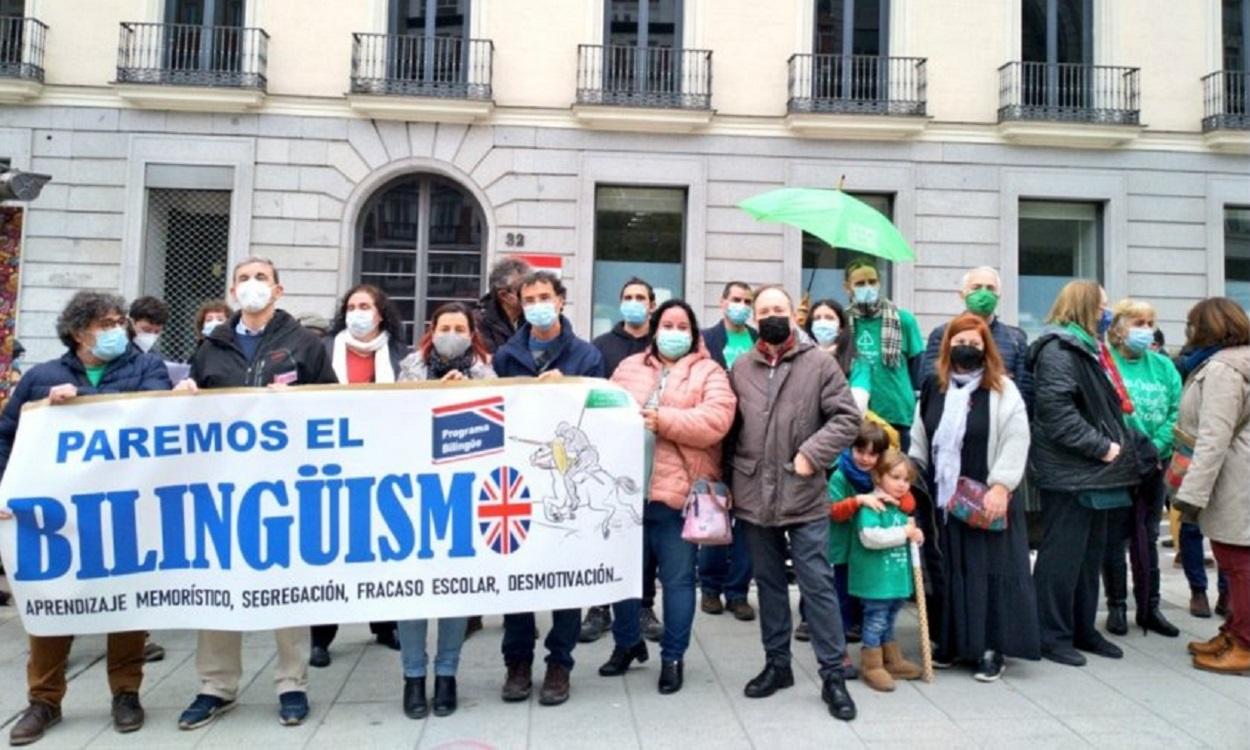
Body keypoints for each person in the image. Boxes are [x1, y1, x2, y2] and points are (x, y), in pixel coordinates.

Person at [0, 291, 172, 746]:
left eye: (120, 321)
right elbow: (7, 437)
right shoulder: (41, 378)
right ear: (78, 332)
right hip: (57, 516)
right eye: (107, 322)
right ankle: (44, 699)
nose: (119, 329)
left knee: (127, 601)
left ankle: (126, 692)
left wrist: (86, 403)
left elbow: (159, 415)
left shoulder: (146, 369)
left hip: (127, 510)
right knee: (53, 599)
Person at [174, 257, 337, 730]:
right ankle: (216, 686)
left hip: (285, 485)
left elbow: (333, 403)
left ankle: (292, 683)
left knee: (285, 583)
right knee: (220, 583)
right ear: (231, 291)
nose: (252, 286)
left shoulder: (305, 344)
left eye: (260, 278)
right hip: (223, 487)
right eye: (243, 279)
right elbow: (194, 409)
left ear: (278, 290)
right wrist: (182, 396)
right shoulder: (211, 347)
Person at [728, 284, 859, 721]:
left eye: (779, 309)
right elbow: (732, 429)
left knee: (817, 583)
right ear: (754, 317)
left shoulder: (819, 363)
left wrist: (811, 454)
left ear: (794, 314)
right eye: (763, 310)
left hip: (802, 491)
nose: (771, 316)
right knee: (767, 584)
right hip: (753, 494)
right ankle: (777, 665)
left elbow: (846, 418)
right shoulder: (741, 367)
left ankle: (833, 674)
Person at [598, 299, 736, 694]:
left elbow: (717, 420)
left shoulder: (709, 372)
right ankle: (627, 643)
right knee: (623, 580)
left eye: (682, 326)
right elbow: (601, 410)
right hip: (627, 495)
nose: (674, 332)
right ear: (655, 329)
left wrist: (665, 421)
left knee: (676, 582)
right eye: (667, 324)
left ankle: (673, 655)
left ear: (693, 333)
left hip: (678, 498)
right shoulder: (628, 368)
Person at [491, 270, 604, 706]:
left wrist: (567, 392)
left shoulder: (586, 355)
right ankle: (517, 662)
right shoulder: (506, 356)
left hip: (566, 479)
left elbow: (596, 414)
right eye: (529, 297)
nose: (537, 303)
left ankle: (560, 663)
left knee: (565, 576)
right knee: (518, 576)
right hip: (521, 477)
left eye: (545, 296)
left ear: (560, 300)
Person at [909, 313, 1038, 681]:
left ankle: (989, 648)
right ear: (948, 345)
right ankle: (952, 642)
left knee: (989, 572)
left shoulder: (1002, 390)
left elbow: (1017, 438)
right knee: (951, 570)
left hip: (986, 498)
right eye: (960, 341)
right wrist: (909, 472)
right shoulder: (936, 387)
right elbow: (921, 435)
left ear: (987, 350)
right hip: (945, 501)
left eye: (975, 344)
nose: (967, 348)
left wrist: (1002, 486)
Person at [1028, 280, 1139, 668]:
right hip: (1072, 472)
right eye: (1102, 306)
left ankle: (1082, 629)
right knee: (1062, 558)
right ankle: (1051, 635)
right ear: (1085, 307)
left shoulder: (1090, 349)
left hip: (1095, 473)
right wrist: (1103, 447)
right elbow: (1057, 414)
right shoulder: (1059, 349)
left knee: (1089, 557)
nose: (1106, 313)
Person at [394, 302, 495, 717]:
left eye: (460, 327)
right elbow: (392, 421)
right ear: (431, 330)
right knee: (412, 590)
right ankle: (414, 676)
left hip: (463, 493)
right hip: (415, 491)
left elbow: (494, 428)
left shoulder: (487, 372)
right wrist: (434, 395)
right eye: (444, 326)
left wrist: (466, 393)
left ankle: (447, 673)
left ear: (472, 334)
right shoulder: (410, 369)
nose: (451, 333)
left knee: (455, 589)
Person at [308, 284, 411, 669]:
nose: (358, 312)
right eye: (351, 306)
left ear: (381, 313)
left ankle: (385, 625)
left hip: (385, 461)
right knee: (330, 548)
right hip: (331, 463)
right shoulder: (321, 349)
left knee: (383, 543)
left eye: (365, 306)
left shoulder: (402, 355)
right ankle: (321, 635)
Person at [1174, 298, 1250, 675]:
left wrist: (1190, 494)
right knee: (1234, 558)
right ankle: (1234, 632)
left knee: (1237, 562)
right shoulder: (1237, 361)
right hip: (1238, 472)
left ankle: (1246, 644)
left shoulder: (1224, 367)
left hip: (1233, 476)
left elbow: (1213, 436)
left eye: (1193, 325)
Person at [583, 277, 660, 644]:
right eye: (627, 296)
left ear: (652, 304)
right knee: (604, 531)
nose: (633, 302)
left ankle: (644, 605)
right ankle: (598, 607)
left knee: (645, 538)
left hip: (651, 457)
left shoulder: (661, 345)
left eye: (640, 298)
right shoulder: (601, 347)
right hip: (610, 456)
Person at [1099, 299, 1181, 638]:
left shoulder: (1164, 367)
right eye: (1138, 322)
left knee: (1146, 536)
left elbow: (1178, 411)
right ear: (1118, 327)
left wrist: (1157, 446)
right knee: (1114, 537)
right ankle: (1117, 605)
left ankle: (1150, 607)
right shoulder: (1105, 364)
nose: (1145, 330)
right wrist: (1130, 449)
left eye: (1150, 323)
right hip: (1117, 462)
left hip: (1155, 463)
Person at [699, 281, 757, 621]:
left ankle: (738, 592)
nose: (741, 305)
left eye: (747, 301)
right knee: (714, 514)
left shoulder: (757, 339)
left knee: (747, 521)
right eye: (736, 299)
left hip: (750, 440)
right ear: (723, 303)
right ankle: (709, 588)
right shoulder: (706, 339)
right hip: (715, 439)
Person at [849, 449, 925, 693]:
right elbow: (871, 537)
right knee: (876, 619)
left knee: (891, 617)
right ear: (878, 477)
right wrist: (904, 533)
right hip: (877, 580)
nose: (902, 484)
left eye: (906, 480)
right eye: (895, 477)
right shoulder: (872, 506)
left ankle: (891, 659)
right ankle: (872, 663)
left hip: (895, 579)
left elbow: (907, 533)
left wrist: (916, 535)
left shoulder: (899, 508)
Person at [825, 421, 894, 654]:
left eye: (872, 454)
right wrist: (857, 501)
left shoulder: (880, 477)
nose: (865, 459)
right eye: (860, 451)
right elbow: (833, 510)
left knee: (865, 594)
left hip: (868, 549)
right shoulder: (840, 475)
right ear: (850, 448)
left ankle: (866, 635)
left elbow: (904, 496)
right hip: (844, 548)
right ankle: (839, 644)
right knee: (842, 594)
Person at [920, 266, 1032, 405]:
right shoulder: (943, 334)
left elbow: (1024, 391)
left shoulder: (1015, 339)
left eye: (990, 288)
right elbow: (932, 382)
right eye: (976, 287)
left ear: (999, 296)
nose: (983, 293)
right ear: (962, 294)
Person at [844, 259, 925, 449]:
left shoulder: (903, 320)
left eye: (872, 282)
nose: (868, 287)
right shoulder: (842, 322)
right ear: (847, 287)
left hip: (897, 413)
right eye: (860, 283)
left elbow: (918, 369)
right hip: (856, 414)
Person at [477, 256, 531, 353]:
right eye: (524, 290)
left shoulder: (533, 318)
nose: (532, 295)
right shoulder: (479, 323)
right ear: (504, 295)